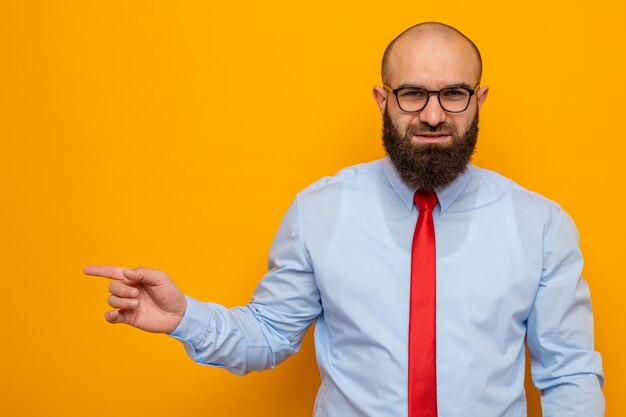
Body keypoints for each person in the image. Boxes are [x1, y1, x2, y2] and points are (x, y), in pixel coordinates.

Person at [85, 22, 605, 417]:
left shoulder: (540, 225)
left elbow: (570, 373)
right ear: (383, 100)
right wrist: (184, 318)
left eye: (453, 93)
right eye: (412, 94)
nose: (431, 114)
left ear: (479, 101)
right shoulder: (321, 211)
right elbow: (267, 336)